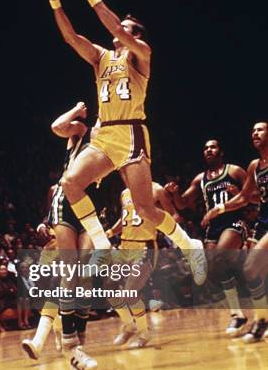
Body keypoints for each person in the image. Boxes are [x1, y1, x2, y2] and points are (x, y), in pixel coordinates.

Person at [42, 0, 207, 287]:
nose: (118, 31)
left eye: (126, 29)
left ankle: (189, 245)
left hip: (132, 134)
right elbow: (70, 37)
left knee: (146, 209)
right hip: (105, 134)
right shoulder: (101, 57)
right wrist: (54, 2)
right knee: (71, 182)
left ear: (135, 35)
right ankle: (101, 242)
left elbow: (116, 25)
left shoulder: (142, 55)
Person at [23, 102, 108, 370]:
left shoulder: (117, 143)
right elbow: (56, 126)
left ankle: (76, 343)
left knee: (84, 275)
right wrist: (76, 109)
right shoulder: (82, 131)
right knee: (70, 272)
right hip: (66, 203)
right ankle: (71, 343)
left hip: (92, 208)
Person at [165, 140, 248, 336]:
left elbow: (251, 195)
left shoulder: (235, 171)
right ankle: (237, 314)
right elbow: (183, 203)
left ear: (221, 151)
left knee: (219, 257)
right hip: (213, 228)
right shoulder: (200, 179)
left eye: (213, 147)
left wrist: (238, 194)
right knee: (212, 268)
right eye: (205, 148)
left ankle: (243, 288)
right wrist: (174, 193)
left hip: (235, 222)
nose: (208, 150)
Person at [202, 122, 268, 342]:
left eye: (260, 129)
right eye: (253, 130)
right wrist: (218, 208)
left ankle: (261, 321)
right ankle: (260, 320)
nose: (255, 133)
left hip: (253, 224)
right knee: (256, 272)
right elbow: (244, 198)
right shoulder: (254, 166)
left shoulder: (237, 169)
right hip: (262, 222)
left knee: (251, 268)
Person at [107, 182, 179, 348]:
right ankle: (129, 324)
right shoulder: (124, 192)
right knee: (108, 285)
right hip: (124, 246)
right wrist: (110, 232)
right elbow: (126, 218)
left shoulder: (157, 190)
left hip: (145, 246)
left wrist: (166, 231)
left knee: (130, 291)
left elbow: (174, 215)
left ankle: (144, 332)